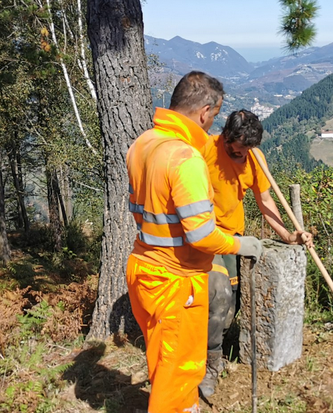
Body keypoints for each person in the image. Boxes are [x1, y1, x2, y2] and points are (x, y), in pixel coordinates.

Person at [126, 72, 263, 413]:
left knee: (163, 365)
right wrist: (239, 245)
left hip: (143, 269)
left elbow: (140, 211)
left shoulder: (143, 143)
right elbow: (201, 235)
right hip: (177, 282)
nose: (211, 125)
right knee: (179, 377)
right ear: (204, 112)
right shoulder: (185, 159)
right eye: (214, 117)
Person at [198, 109, 314, 396]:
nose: (241, 156)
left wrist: (288, 235)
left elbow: (264, 200)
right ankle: (209, 364)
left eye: (246, 151)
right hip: (205, 236)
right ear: (226, 137)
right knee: (219, 295)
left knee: (232, 303)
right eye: (236, 150)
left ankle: (215, 350)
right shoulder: (204, 152)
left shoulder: (255, 159)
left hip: (234, 237)